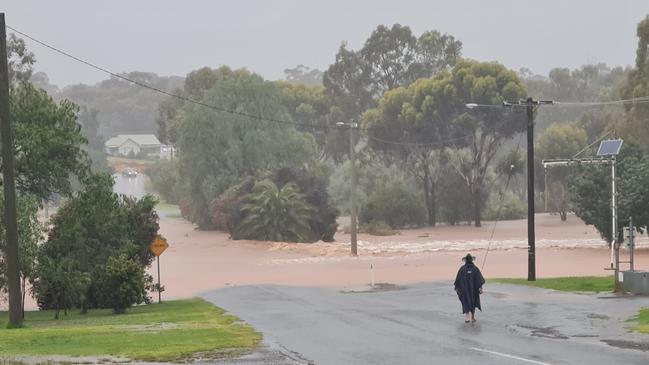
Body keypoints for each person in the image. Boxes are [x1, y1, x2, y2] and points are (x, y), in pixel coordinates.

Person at [454, 253, 485, 323]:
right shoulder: (475, 269)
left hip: (464, 290)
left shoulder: (462, 269)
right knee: (473, 301)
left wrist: (456, 288)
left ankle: (467, 318)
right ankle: (473, 317)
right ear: (471, 260)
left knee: (465, 301)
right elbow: (479, 280)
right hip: (473, 290)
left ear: (465, 260)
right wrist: (480, 288)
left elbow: (457, 280)